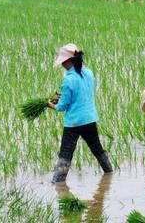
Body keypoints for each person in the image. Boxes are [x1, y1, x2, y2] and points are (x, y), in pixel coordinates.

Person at [48, 43, 112, 183]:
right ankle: (109, 173)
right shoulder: (88, 73)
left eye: (63, 62)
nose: (62, 65)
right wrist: (62, 97)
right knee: (98, 150)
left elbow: (61, 107)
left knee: (65, 155)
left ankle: (58, 184)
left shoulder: (68, 79)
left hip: (74, 123)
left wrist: (50, 104)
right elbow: (82, 94)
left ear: (68, 61)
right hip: (89, 119)